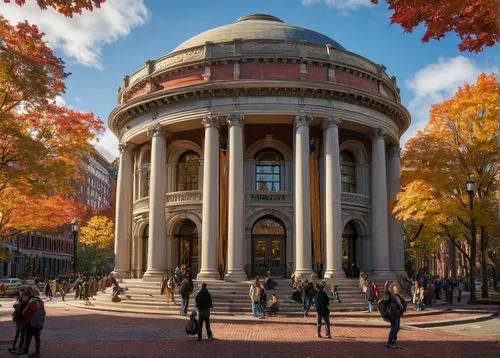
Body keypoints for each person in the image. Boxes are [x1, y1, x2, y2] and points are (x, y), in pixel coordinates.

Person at [21, 286, 45, 358]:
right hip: (39, 323)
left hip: (31, 323)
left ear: (33, 293)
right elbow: (43, 312)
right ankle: (37, 352)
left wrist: (24, 312)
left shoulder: (32, 302)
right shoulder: (41, 302)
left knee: (28, 338)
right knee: (37, 338)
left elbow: (26, 313)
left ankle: (25, 352)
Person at [383, 281, 406, 349]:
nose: (396, 288)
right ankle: (390, 342)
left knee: (397, 328)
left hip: (397, 313)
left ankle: (393, 341)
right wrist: (387, 284)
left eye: (397, 287)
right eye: (395, 287)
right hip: (393, 314)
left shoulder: (397, 295)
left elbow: (401, 304)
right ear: (392, 288)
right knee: (394, 328)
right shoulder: (390, 295)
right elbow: (385, 291)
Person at [8, 289, 29, 354]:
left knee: (21, 334)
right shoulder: (22, 299)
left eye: (22, 294)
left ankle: (20, 348)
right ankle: (16, 347)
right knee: (20, 334)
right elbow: (15, 306)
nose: (21, 295)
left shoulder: (26, 300)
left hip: (22, 319)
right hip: (20, 319)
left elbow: (16, 306)